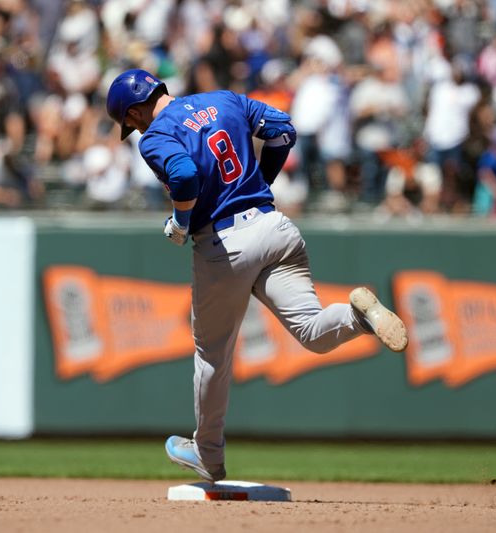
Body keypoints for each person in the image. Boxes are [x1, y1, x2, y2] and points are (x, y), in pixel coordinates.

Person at [105, 69, 409, 483]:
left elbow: (185, 175)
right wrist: (258, 180)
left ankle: (208, 455)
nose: (134, 129)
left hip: (225, 244)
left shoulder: (156, 135)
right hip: (274, 226)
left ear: (138, 108)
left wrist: (179, 221)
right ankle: (360, 318)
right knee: (311, 331)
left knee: (212, 353)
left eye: (131, 120)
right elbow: (284, 130)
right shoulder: (226, 99)